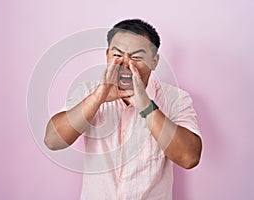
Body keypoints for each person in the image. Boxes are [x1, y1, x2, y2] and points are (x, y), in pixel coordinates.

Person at [44, 19, 202, 200]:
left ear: (154, 61)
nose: (125, 64)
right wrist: (98, 97)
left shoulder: (176, 99)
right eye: (117, 55)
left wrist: (145, 105)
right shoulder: (88, 92)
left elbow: (189, 158)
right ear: (107, 55)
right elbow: (52, 140)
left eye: (136, 57)